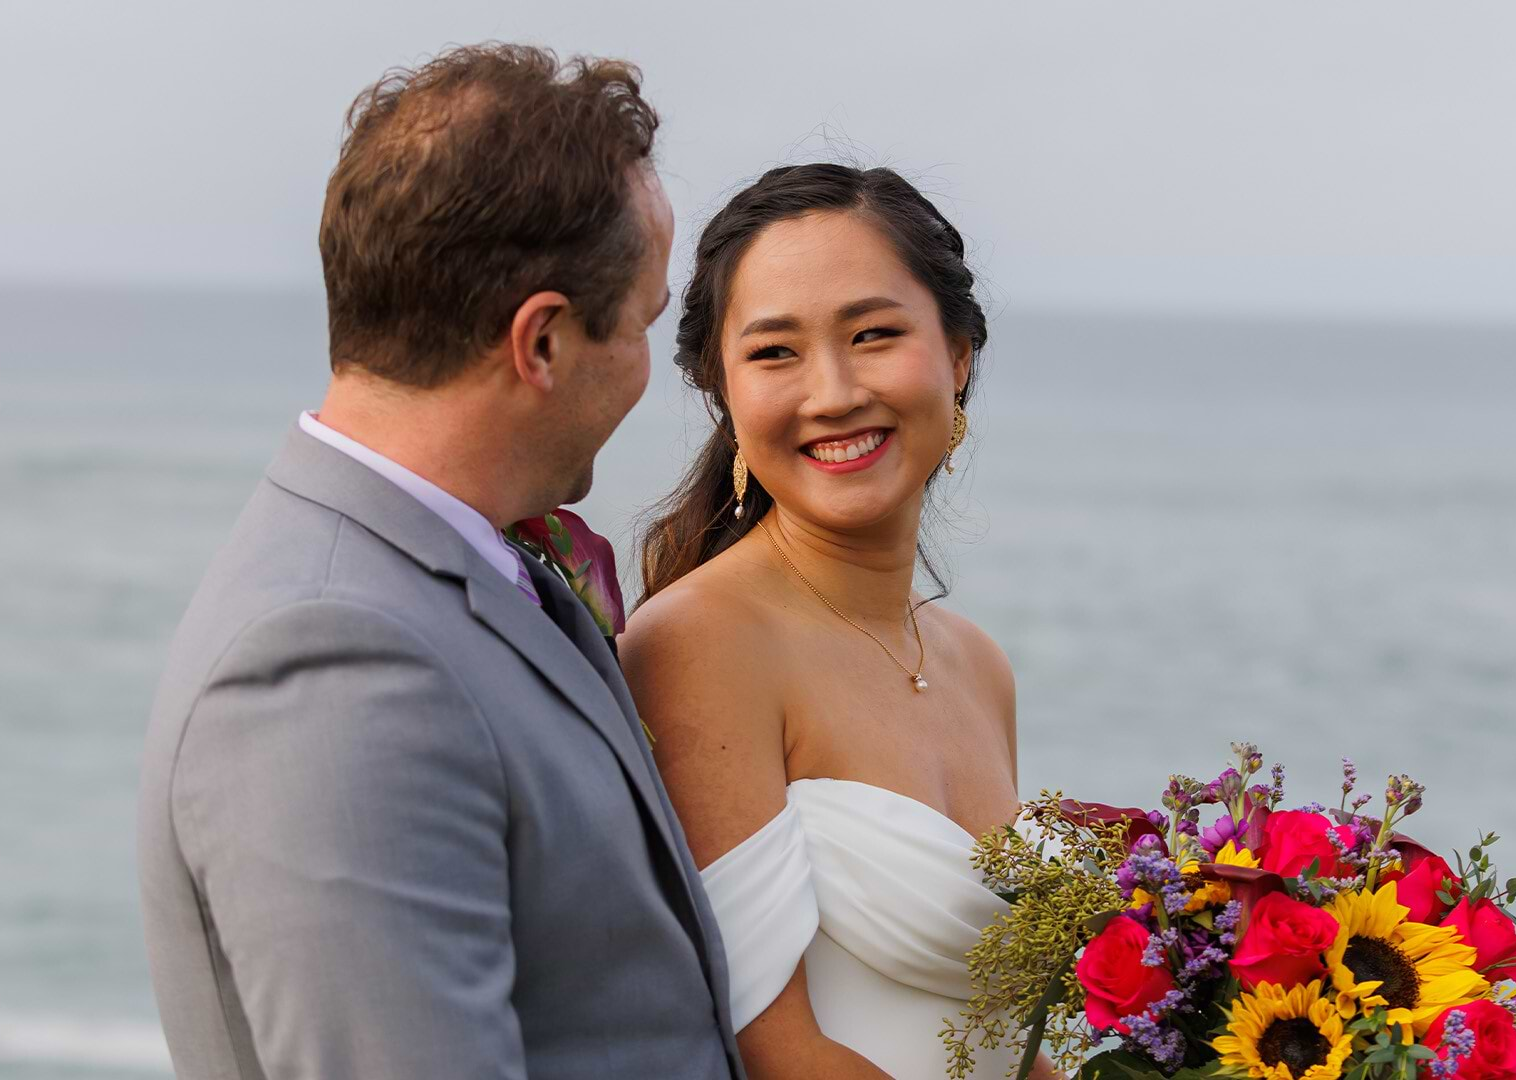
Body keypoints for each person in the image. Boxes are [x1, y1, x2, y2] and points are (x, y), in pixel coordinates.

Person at [136, 44, 743, 1079]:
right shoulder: (334, 666)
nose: (657, 370)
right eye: (641, 326)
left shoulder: (457, 562)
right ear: (541, 343)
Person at [624, 163, 1029, 1079]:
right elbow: (772, 1050)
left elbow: (1009, 1033)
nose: (835, 391)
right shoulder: (698, 644)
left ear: (959, 353)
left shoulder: (980, 665)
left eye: (875, 334)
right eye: (775, 353)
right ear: (721, 391)